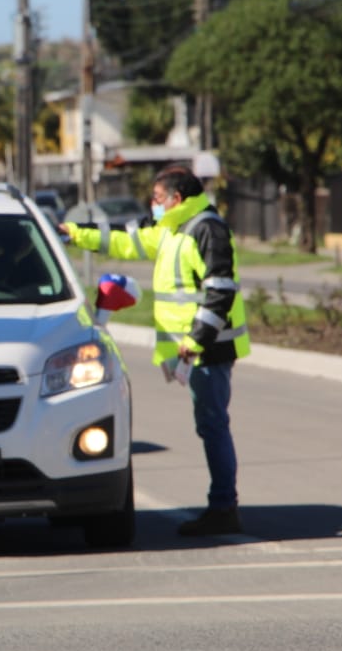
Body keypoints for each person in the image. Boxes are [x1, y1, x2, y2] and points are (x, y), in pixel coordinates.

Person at [59, 165, 250, 536]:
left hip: (208, 349)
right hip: (193, 349)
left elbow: (220, 291)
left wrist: (196, 341)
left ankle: (224, 507)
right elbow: (124, 239)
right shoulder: (170, 228)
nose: (153, 205)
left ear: (177, 199)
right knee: (209, 425)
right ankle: (223, 504)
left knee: (213, 426)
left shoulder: (205, 229)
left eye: (158, 198)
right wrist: (73, 234)